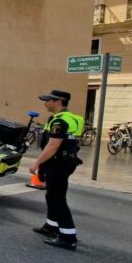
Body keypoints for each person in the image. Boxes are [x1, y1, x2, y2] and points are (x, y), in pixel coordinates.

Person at [28, 90, 84, 251]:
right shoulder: (74, 118)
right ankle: (51, 226)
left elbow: (53, 145)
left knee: (57, 198)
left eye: (48, 100)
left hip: (58, 163)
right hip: (65, 162)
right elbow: (76, 142)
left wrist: (37, 163)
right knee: (52, 195)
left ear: (58, 101)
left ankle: (68, 237)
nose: (45, 103)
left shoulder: (60, 121)